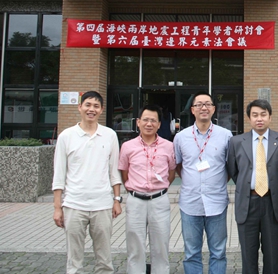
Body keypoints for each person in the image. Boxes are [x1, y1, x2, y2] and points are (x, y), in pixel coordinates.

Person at [52, 90, 123, 274]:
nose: (92, 109)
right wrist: (58, 207)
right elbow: (59, 174)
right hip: (74, 204)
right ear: (80, 107)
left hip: (102, 204)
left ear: (101, 110)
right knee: (74, 259)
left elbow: (114, 171)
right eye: (88, 105)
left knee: (104, 257)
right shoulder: (66, 136)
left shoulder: (109, 135)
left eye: (96, 106)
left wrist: (117, 200)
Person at [227, 99, 278, 274]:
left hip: (272, 203)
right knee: (248, 255)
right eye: (255, 115)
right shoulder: (236, 142)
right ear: (249, 118)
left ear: (270, 117)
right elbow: (234, 171)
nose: (259, 119)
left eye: (263, 114)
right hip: (248, 203)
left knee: (272, 255)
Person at [173, 91, 233, 274]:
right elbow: (178, 166)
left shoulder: (226, 135)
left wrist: (217, 182)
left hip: (217, 202)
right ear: (192, 110)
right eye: (199, 104)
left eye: (207, 104)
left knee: (218, 252)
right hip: (190, 203)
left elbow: (229, 166)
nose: (203, 108)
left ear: (213, 109)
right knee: (191, 252)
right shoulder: (181, 137)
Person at [119, 104, 176, 274]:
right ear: (138, 122)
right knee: (135, 246)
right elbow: (124, 173)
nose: (149, 124)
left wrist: (160, 188)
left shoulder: (168, 146)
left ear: (159, 124)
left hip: (159, 200)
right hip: (135, 200)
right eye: (145, 120)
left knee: (161, 245)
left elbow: (171, 173)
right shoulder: (127, 146)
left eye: (153, 120)